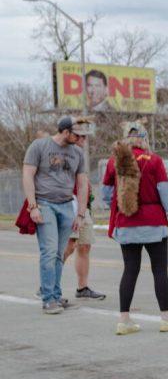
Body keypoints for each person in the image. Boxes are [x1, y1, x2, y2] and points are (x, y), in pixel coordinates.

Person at [101, 121, 168, 334]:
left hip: (127, 222)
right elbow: (164, 191)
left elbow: (106, 194)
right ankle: (166, 318)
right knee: (159, 270)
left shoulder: (114, 162)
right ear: (144, 139)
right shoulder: (154, 160)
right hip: (154, 223)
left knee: (130, 269)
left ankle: (124, 320)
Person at [23, 116, 89, 314]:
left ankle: (57, 296)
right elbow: (27, 174)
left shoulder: (78, 153)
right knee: (49, 252)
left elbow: (83, 183)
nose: (80, 139)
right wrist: (32, 206)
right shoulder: (39, 146)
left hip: (67, 206)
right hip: (44, 205)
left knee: (59, 255)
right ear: (65, 131)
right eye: (77, 135)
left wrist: (81, 214)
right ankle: (48, 299)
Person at [60, 116, 106, 301]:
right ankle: (48, 284)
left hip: (82, 206)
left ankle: (82, 287)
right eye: (80, 136)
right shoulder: (62, 152)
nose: (84, 140)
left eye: (85, 137)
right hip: (68, 204)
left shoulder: (79, 154)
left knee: (84, 246)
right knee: (68, 246)